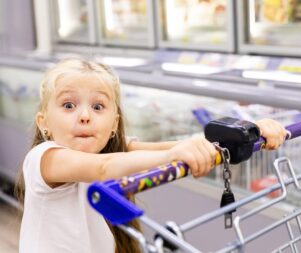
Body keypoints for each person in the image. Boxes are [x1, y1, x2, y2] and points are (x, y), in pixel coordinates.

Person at [15, 58, 287, 253]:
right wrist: (177, 152)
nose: (85, 116)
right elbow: (102, 167)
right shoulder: (44, 159)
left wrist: (250, 132)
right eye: (68, 105)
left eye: (98, 106)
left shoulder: (114, 150)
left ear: (113, 124)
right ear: (43, 122)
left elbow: (169, 147)